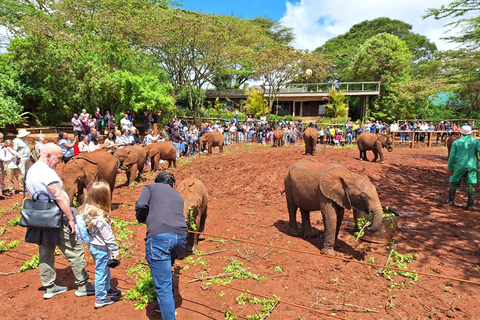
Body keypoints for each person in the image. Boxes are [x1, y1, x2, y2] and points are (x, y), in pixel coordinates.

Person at [24, 143, 95, 299]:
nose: (60, 161)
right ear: (48, 155)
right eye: (59, 157)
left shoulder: (32, 170)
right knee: (74, 249)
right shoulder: (47, 173)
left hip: (40, 217)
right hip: (57, 216)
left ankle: (49, 286)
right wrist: (70, 218)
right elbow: (60, 197)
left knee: (45, 250)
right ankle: (83, 285)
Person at [135, 172, 187, 319]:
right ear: (172, 184)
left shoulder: (151, 187)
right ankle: (164, 305)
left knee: (162, 285)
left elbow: (140, 204)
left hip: (159, 239)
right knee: (166, 272)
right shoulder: (177, 194)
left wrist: (141, 218)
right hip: (180, 238)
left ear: (157, 181)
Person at [77, 181, 121, 308]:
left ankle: (106, 290)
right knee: (101, 272)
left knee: (104, 269)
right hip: (102, 248)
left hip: (94, 246)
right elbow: (108, 237)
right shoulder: (100, 219)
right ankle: (101, 298)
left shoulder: (87, 211)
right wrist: (114, 250)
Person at [446, 125, 480, 210]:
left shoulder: (456, 142)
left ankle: (450, 201)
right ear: (470, 133)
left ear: (461, 133)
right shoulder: (476, 142)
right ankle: (469, 206)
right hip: (472, 165)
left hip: (459, 165)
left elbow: (452, 156)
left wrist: (450, 167)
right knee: (471, 183)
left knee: (454, 181)